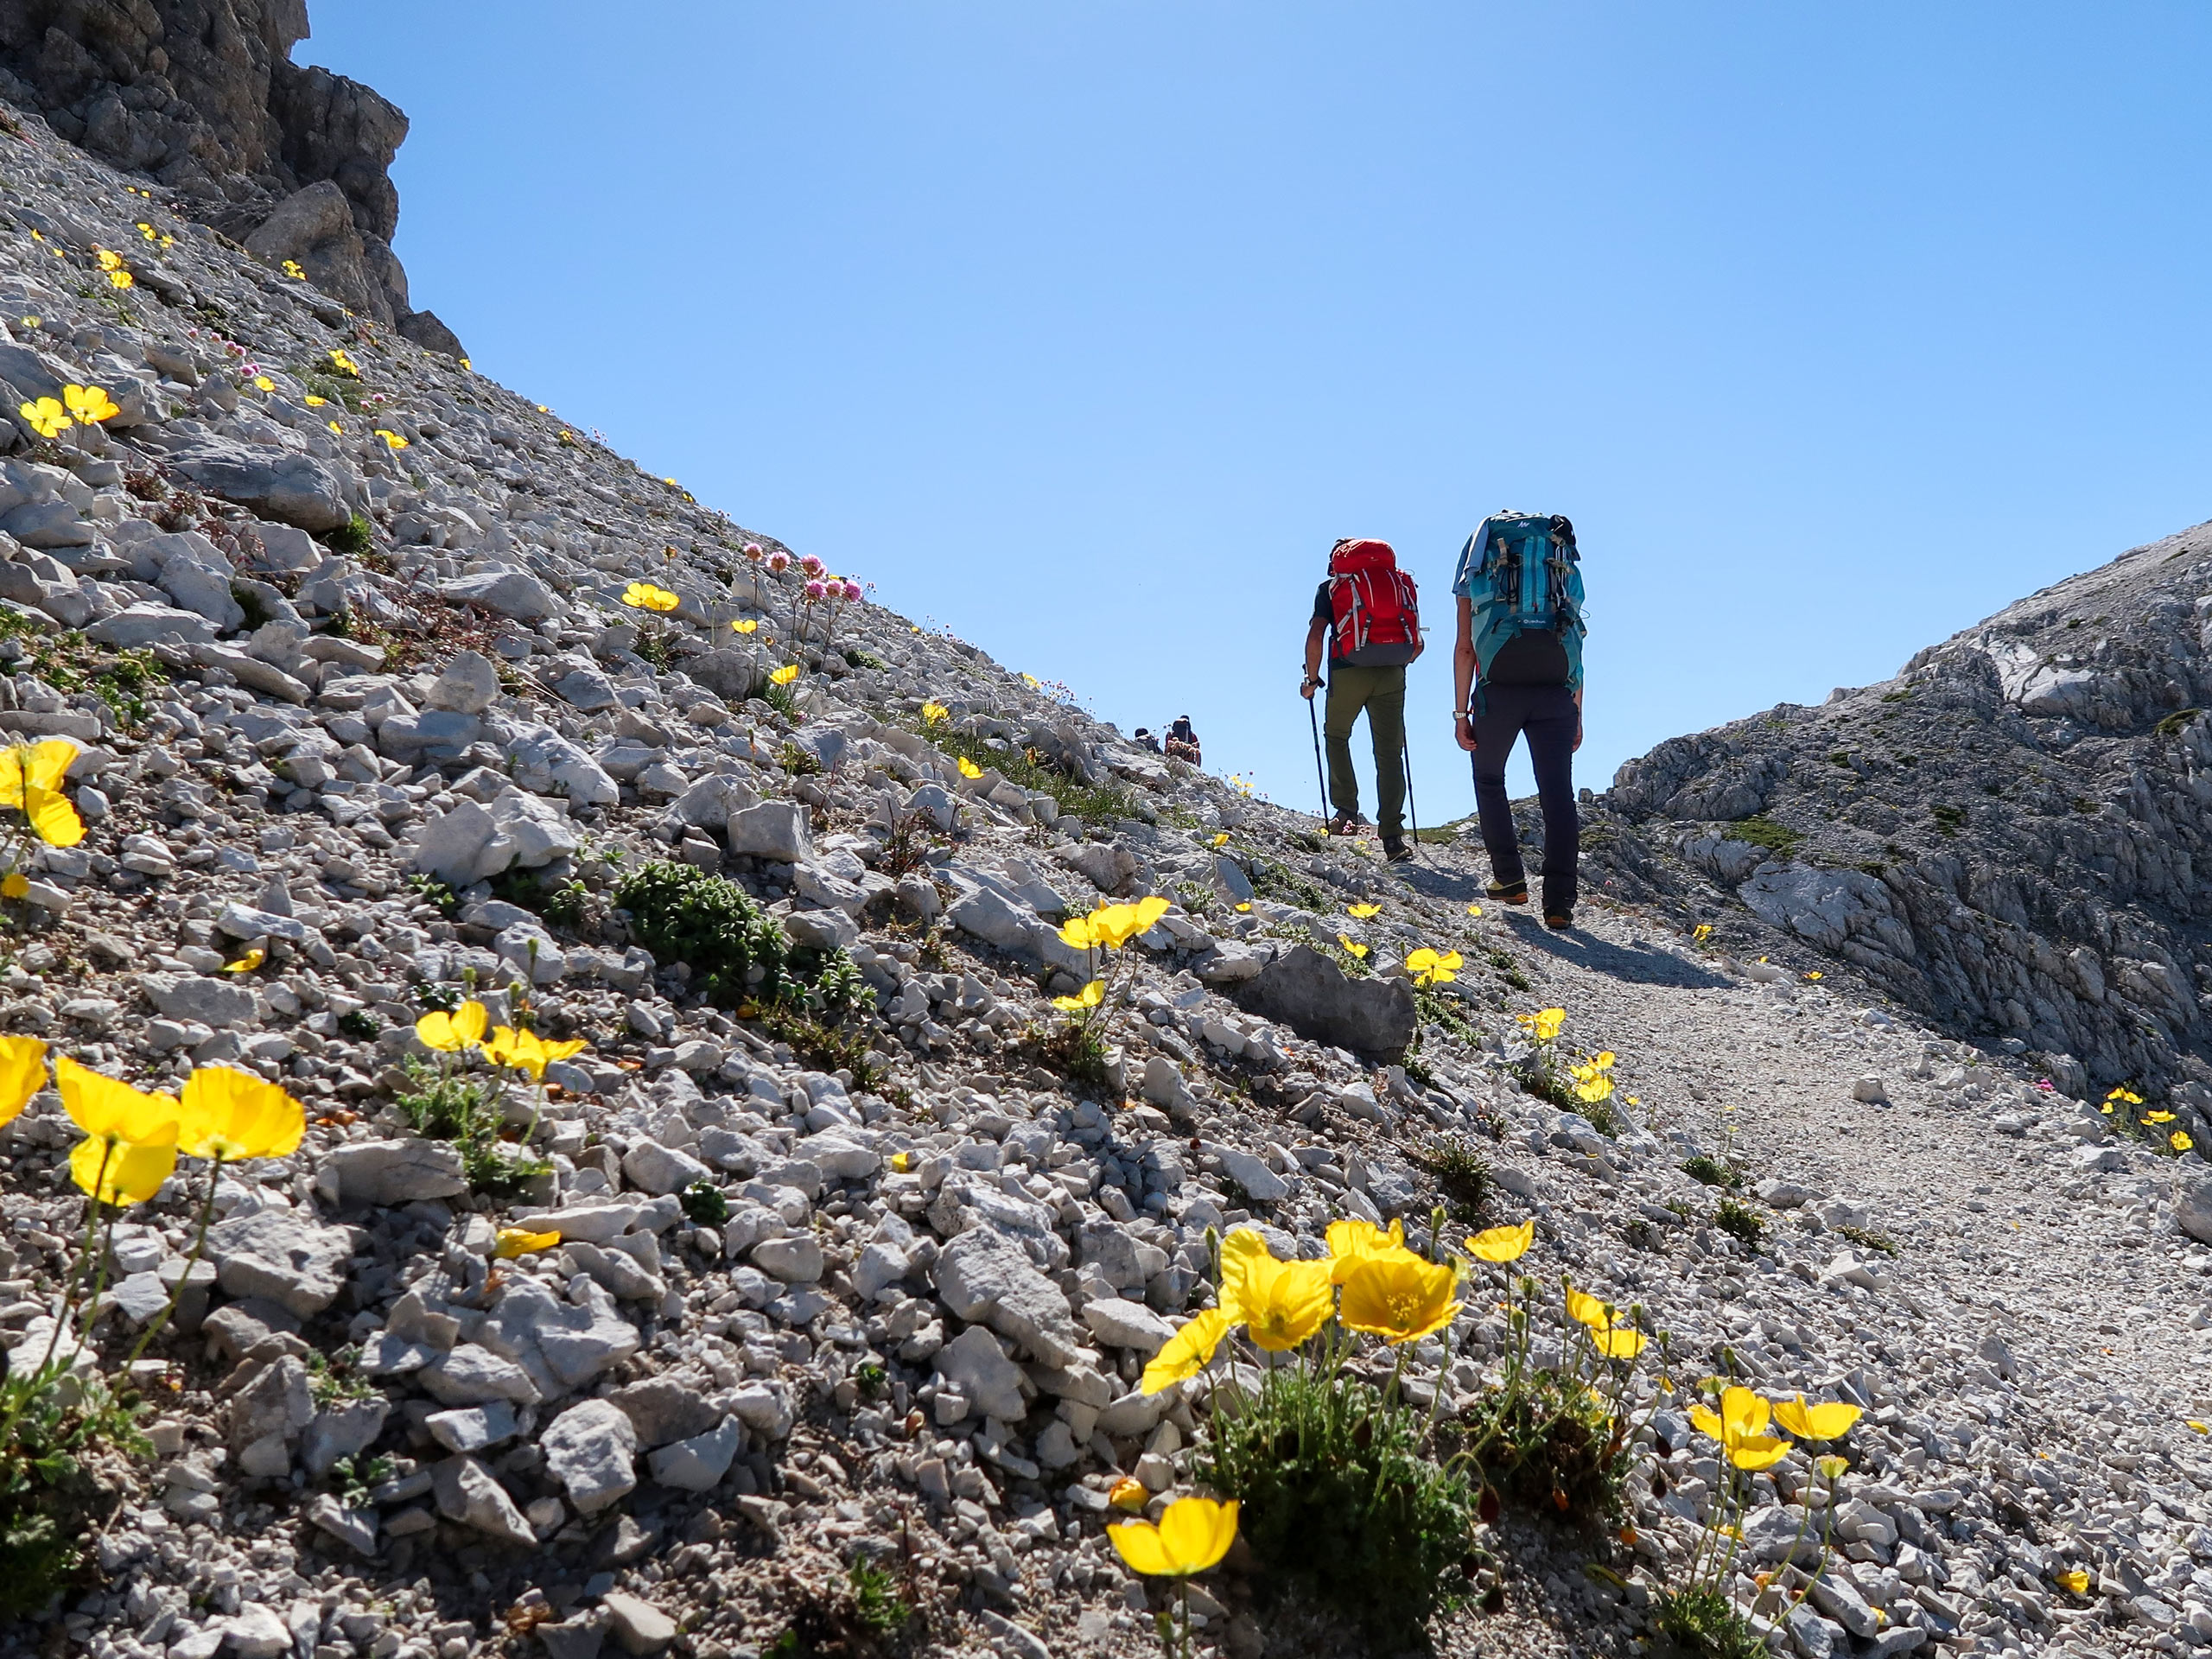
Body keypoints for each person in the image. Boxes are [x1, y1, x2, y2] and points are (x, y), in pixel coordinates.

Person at [1452, 512, 1585, 928]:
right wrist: (1577, 712)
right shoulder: (1562, 565)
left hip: (1499, 691)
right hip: (1556, 691)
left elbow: (1465, 648)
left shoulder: (1476, 565)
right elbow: (1577, 642)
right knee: (1557, 794)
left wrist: (1461, 713)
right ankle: (1559, 903)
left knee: (1489, 779)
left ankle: (1510, 879)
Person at [1302, 537, 1423, 861]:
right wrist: (1395, 662)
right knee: (1389, 754)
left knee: (1337, 736)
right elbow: (1417, 643)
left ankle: (1346, 812)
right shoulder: (1399, 583)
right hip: (1392, 673)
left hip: (1348, 670)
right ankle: (1393, 838)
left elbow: (1316, 636)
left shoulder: (1331, 589)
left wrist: (1311, 681)